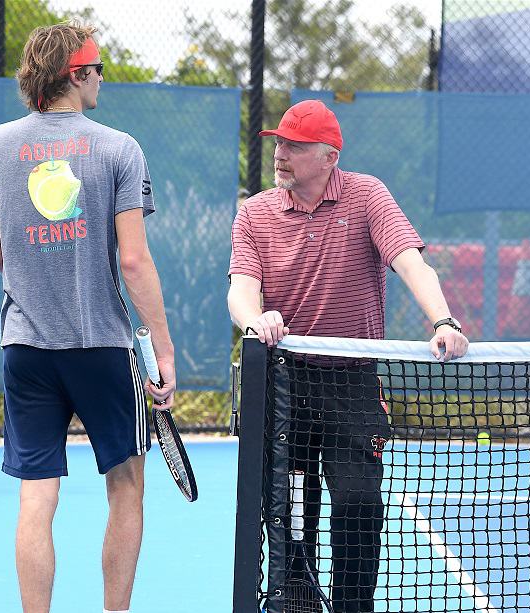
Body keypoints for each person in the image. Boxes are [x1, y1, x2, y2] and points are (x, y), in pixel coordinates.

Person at [0, 22, 175, 613]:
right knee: (127, 487)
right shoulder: (118, 148)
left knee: (37, 496)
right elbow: (132, 260)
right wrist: (164, 350)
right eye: (98, 69)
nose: (103, 79)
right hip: (103, 349)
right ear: (77, 75)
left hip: (24, 349)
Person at [227, 99, 469, 612]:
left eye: (295, 145)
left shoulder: (366, 196)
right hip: (284, 383)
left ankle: (351, 608)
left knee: (359, 503)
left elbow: (411, 262)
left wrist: (443, 320)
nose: (281, 153)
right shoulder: (255, 212)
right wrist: (256, 320)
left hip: (352, 383)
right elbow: (241, 289)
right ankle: (296, 597)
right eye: (279, 142)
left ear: (329, 156)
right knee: (289, 510)